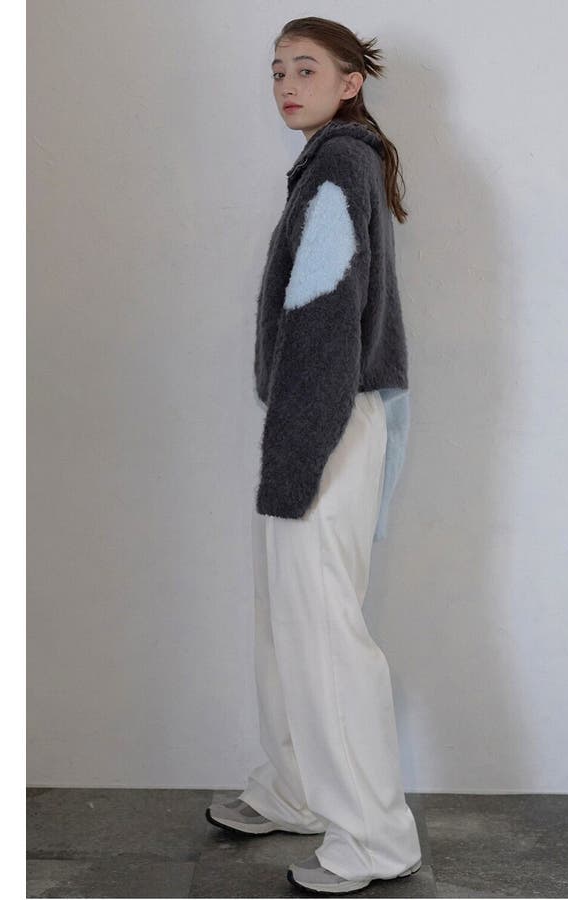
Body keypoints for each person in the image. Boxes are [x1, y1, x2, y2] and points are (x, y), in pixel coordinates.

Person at [206, 16, 419, 895]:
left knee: (324, 633)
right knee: (288, 621)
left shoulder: (337, 166)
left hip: (322, 421)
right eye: (276, 71)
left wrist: (297, 452)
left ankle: (373, 840)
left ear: (349, 82)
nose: (286, 85)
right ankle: (296, 788)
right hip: (325, 416)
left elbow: (326, 319)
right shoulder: (333, 162)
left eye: (305, 69)